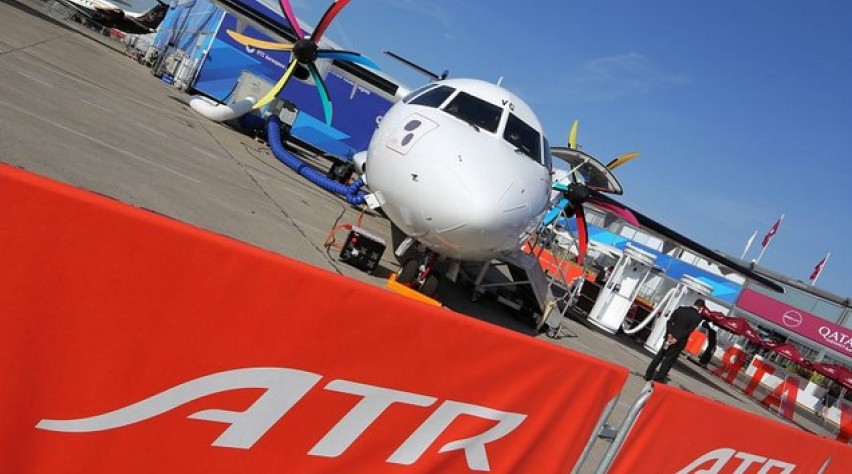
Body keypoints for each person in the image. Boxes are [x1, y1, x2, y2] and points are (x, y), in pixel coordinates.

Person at [645, 299, 707, 383]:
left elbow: (669, 322)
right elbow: (689, 330)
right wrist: (676, 339)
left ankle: (648, 374)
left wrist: (669, 334)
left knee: (660, 356)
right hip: (679, 341)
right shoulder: (698, 317)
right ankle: (659, 378)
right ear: (701, 308)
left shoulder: (680, 309)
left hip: (669, 337)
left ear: (694, 303)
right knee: (669, 360)